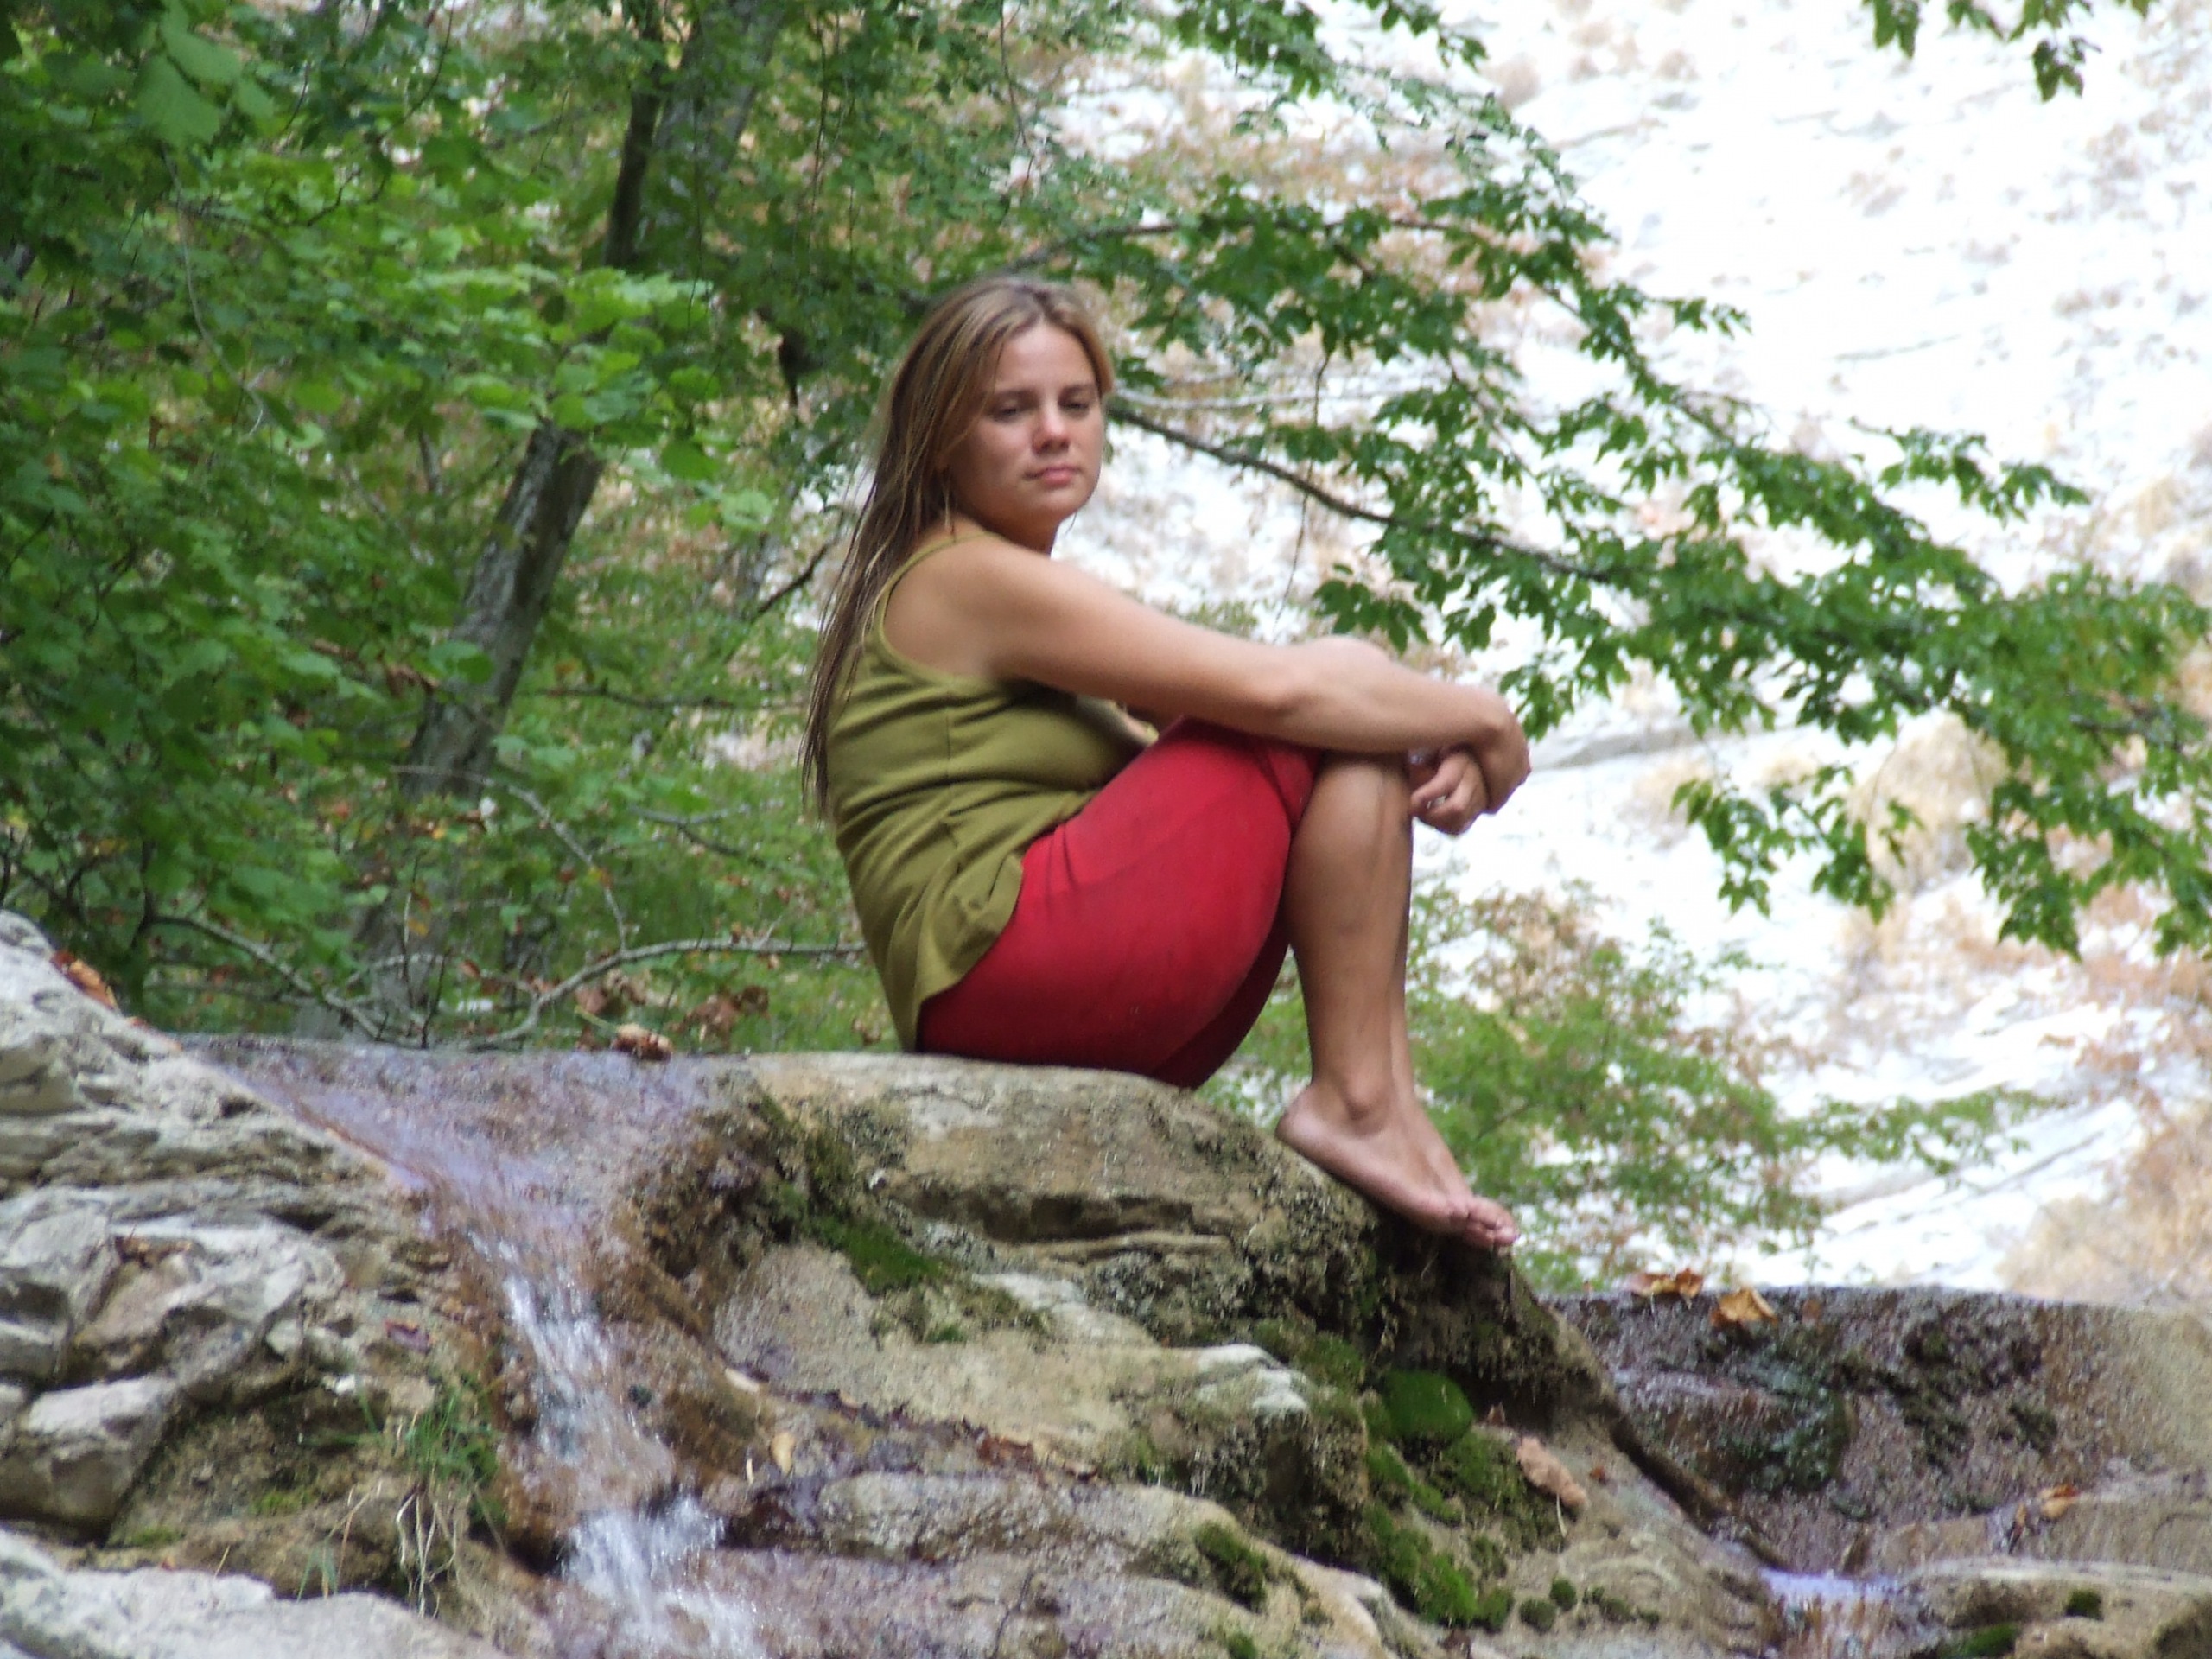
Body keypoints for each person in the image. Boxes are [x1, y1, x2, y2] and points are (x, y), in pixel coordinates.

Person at [801, 275, 1529, 1251]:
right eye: (1010, 411)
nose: (1053, 432)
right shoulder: (960, 575)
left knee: (1348, 724)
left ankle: (1385, 1108)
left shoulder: (1001, 596)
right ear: (939, 439)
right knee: (1330, 690)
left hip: (1064, 1009)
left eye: (1077, 403)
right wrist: (1486, 722)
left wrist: (1415, 739)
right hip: (1008, 975)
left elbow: (1294, 710)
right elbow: (1280, 695)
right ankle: (1357, 1104)